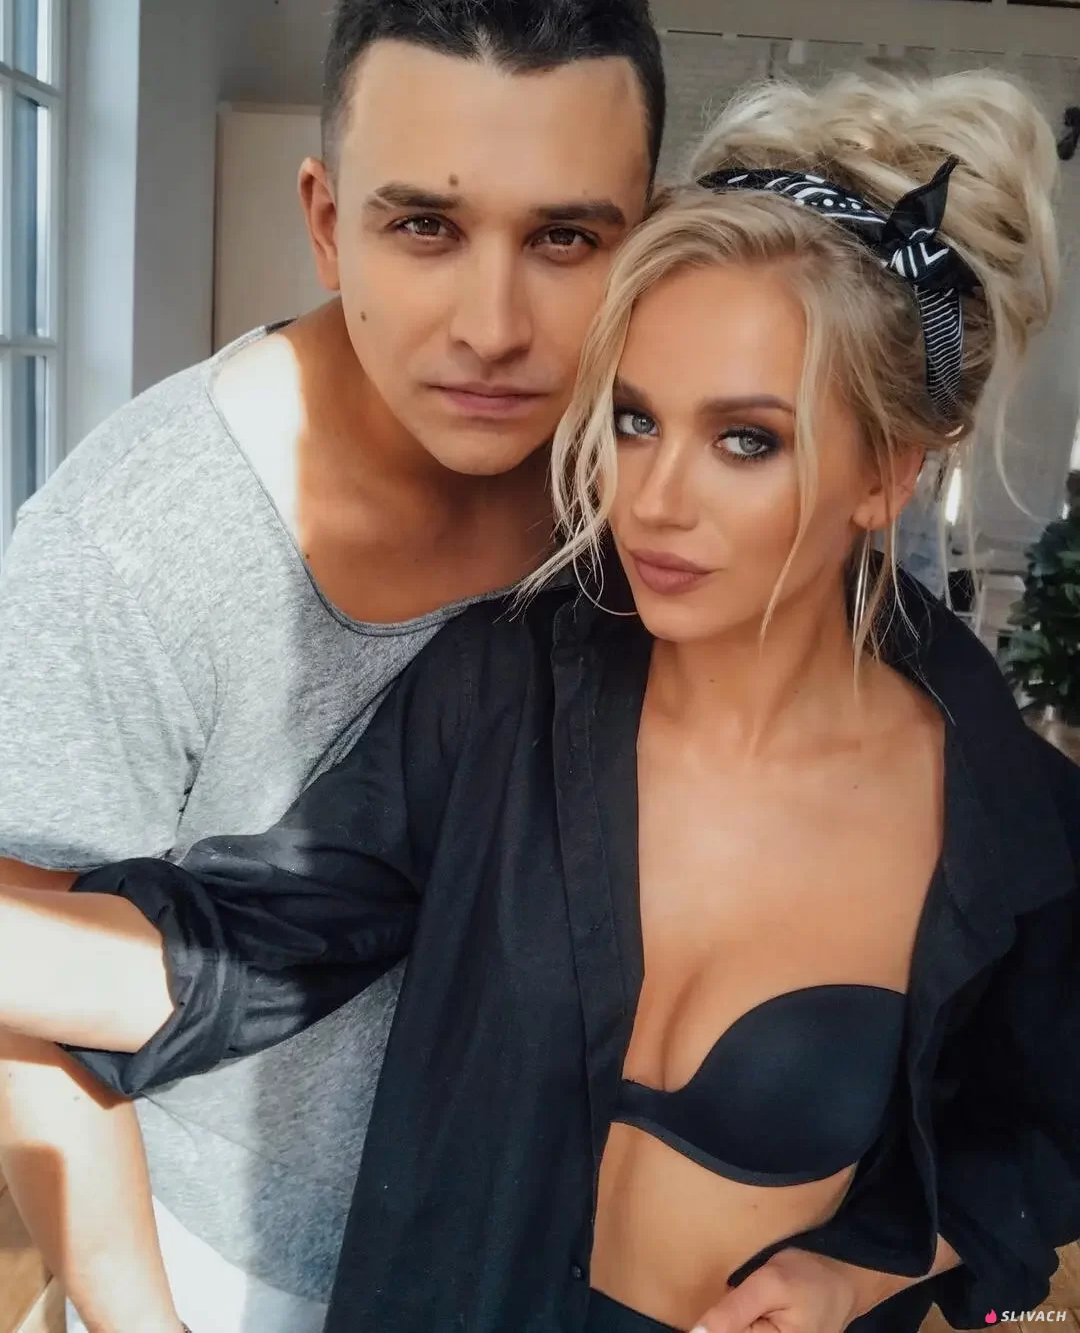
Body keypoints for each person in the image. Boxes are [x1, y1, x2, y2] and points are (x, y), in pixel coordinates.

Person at [3, 69, 1078, 1333]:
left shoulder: (1010, 828)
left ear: (887, 472)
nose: (654, 501)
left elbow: (1039, 1128)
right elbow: (245, 949)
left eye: (746, 440)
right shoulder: (501, 697)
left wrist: (864, 1270)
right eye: (633, 420)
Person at [0, 0, 662, 1330]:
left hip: (575, 1255)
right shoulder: (132, 540)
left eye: (565, 236)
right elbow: (30, 997)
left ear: (647, 239)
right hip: (232, 1272)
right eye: (425, 225)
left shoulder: (666, 493)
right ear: (325, 221)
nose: (492, 324)